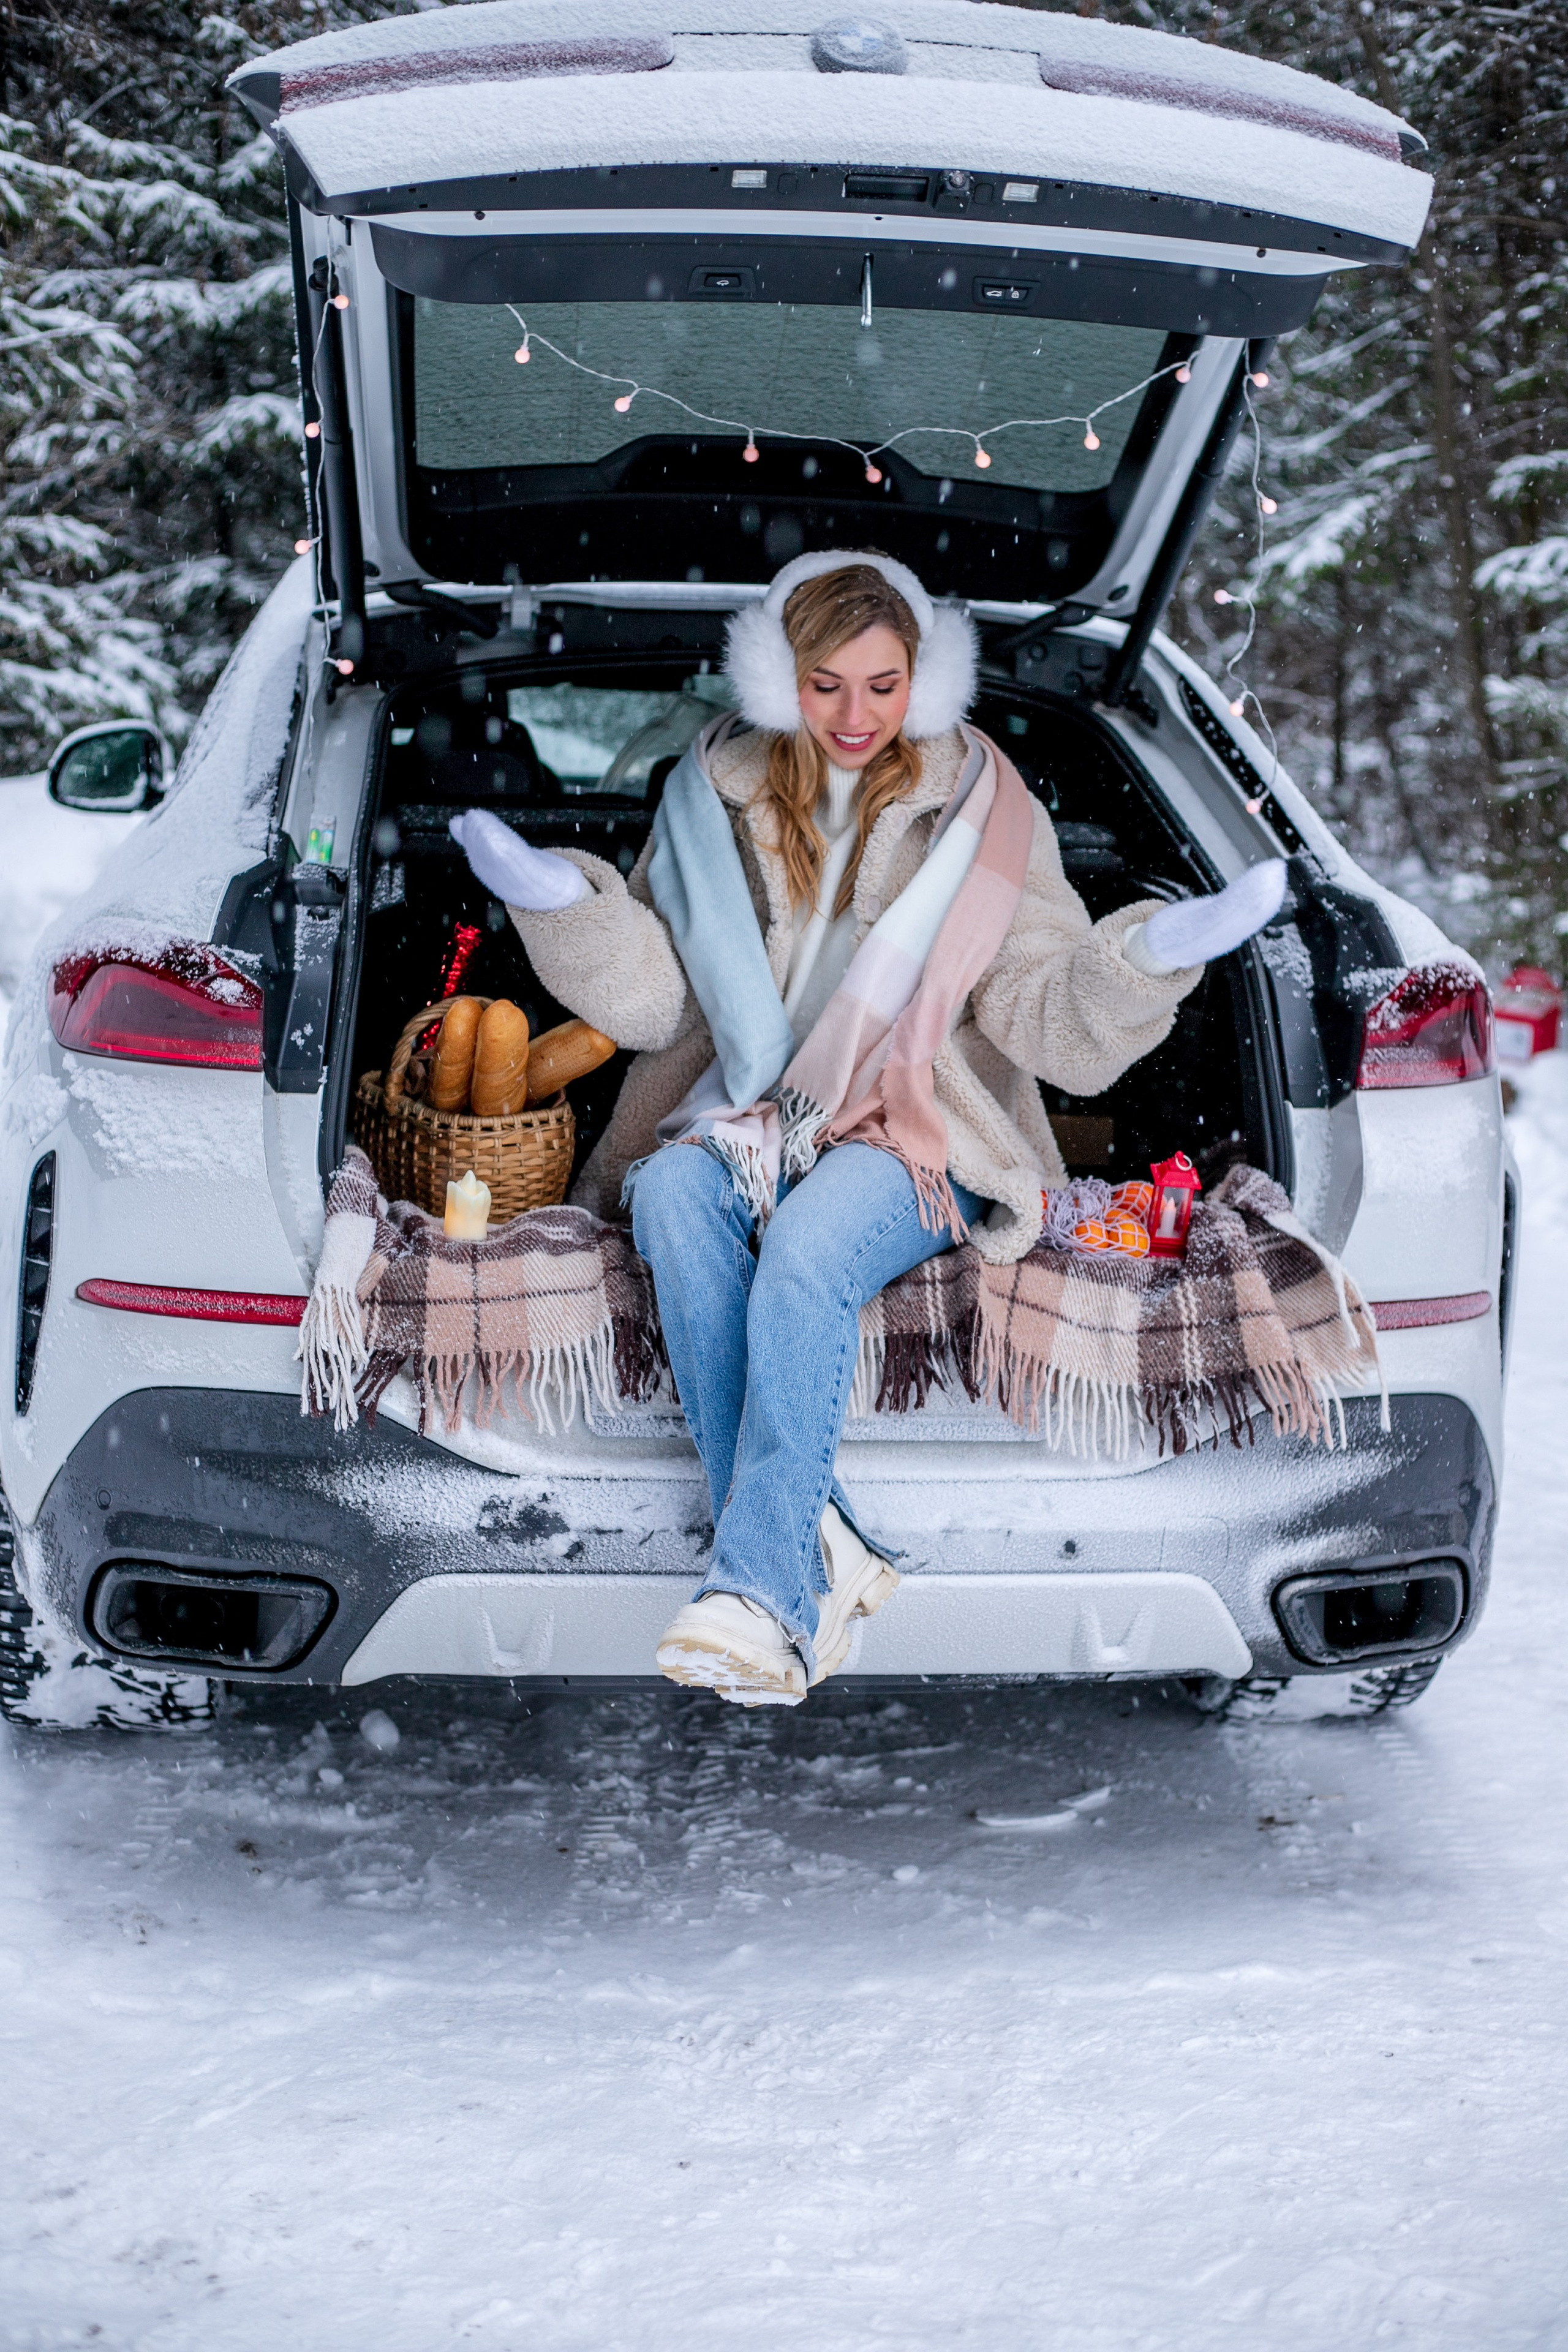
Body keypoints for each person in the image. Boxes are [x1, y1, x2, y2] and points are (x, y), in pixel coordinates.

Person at [453, 552, 1284, 1708]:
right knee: (671, 1196)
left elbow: (1038, 1009)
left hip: (917, 1122)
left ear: (922, 684)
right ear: (778, 679)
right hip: (746, 1109)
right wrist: (567, 905)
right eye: (827, 684)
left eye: (884, 685)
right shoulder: (710, 796)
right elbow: (661, 1002)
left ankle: (763, 1596)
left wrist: (1144, 957)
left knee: (803, 1254)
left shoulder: (986, 812)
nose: (857, 714)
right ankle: (826, 1544)